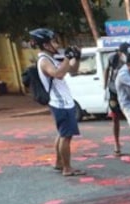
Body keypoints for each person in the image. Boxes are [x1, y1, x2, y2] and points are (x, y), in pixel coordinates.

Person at [30, 28, 84, 177]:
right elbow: (59, 74)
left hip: (64, 102)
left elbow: (72, 70)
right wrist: (67, 57)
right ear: (46, 45)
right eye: (54, 41)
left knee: (62, 134)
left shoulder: (52, 58)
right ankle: (67, 168)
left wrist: (76, 58)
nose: (57, 44)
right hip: (60, 103)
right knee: (66, 136)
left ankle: (59, 163)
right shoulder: (44, 60)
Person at [104, 42, 130, 156]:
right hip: (113, 90)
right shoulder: (112, 58)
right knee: (115, 117)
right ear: (119, 52)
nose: (126, 56)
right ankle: (116, 143)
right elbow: (107, 70)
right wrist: (105, 85)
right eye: (125, 54)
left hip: (126, 91)